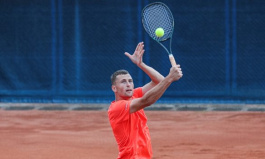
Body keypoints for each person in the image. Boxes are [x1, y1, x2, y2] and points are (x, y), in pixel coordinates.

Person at [108, 42, 183, 159]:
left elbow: (159, 81)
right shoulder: (117, 107)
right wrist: (170, 78)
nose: (128, 85)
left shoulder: (135, 95)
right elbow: (145, 101)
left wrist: (141, 64)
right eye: (123, 82)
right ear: (114, 88)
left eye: (130, 81)